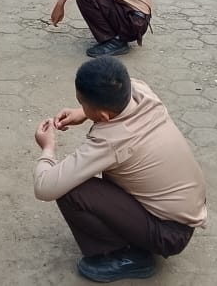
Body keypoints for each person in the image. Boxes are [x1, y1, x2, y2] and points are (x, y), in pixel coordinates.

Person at [33, 57, 206, 283]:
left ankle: (129, 256)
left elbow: (44, 188)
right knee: (105, 173)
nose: (81, 106)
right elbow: (115, 102)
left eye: (83, 102)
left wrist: (48, 148)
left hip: (168, 234)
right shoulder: (141, 92)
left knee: (71, 190)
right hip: (185, 211)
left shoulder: (110, 140)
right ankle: (136, 236)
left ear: (104, 116)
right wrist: (84, 112)